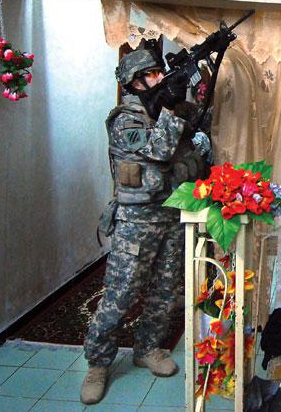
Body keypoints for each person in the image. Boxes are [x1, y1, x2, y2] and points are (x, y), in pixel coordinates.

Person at [81, 48, 211, 405]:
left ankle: (148, 347)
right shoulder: (125, 120)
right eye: (150, 75)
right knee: (121, 293)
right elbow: (161, 151)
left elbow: (200, 132)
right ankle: (97, 361)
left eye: (159, 73)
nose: (158, 79)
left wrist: (197, 90)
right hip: (136, 222)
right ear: (133, 84)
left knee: (166, 291)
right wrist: (171, 109)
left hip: (171, 214)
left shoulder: (171, 112)